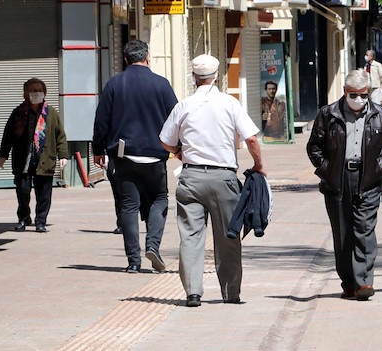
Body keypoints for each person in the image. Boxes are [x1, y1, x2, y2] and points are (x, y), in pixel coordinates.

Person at [160, 54, 265, 307]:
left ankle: (193, 292)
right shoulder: (229, 103)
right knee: (228, 236)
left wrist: (179, 153)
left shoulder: (183, 106)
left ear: (194, 78)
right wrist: (259, 165)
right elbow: (250, 138)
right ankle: (231, 294)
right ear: (217, 76)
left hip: (191, 178)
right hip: (224, 178)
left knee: (191, 237)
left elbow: (165, 139)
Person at [307, 69, 382, 301]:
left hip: (368, 179)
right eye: (354, 94)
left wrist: (378, 168)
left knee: (364, 231)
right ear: (345, 92)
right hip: (338, 180)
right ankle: (349, 283)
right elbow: (314, 146)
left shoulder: (379, 114)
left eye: (364, 95)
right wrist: (326, 169)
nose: (359, 99)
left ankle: (364, 282)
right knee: (343, 233)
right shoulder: (328, 114)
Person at [93, 40, 178, 274]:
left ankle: (133, 262)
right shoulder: (162, 85)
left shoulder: (114, 84)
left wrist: (98, 149)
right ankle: (153, 245)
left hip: (123, 155)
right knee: (160, 200)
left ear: (126, 60)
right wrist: (177, 147)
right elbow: (176, 118)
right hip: (155, 154)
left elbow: (101, 120)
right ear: (148, 58)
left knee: (128, 206)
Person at [0, 78, 68, 232]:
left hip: (44, 159)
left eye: (39, 90)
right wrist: (3, 154)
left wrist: (63, 155)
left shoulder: (51, 113)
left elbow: (60, 135)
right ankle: (23, 218)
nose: (37, 93)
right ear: (26, 93)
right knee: (22, 191)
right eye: (33, 90)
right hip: (23, 159)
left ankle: (40, 221)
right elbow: (8, 135)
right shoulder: (18, 112)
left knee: (44, 193)